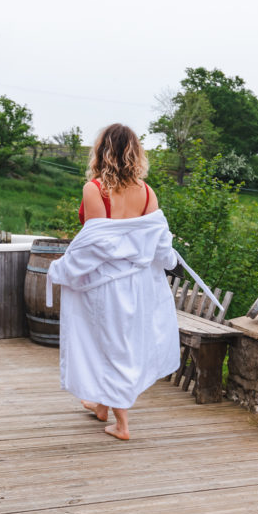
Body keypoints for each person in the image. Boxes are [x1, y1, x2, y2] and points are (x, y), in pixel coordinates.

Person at [46, 123, 221, 440]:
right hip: (140, 286)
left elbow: (95, 246)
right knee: (120, 342)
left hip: (106, 285)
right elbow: (160, 248)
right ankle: (101, 407)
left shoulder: (94, 188)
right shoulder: (147, 192)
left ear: (102, 151)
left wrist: (60, 270)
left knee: (110, 345)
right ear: (134, 153)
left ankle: (122, 424)